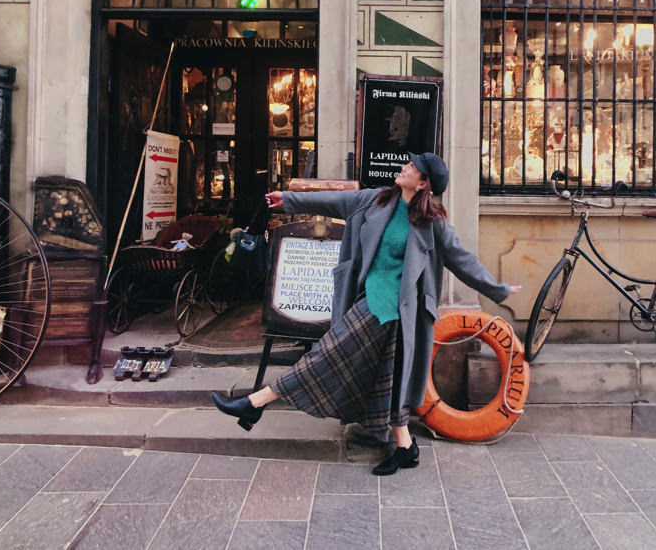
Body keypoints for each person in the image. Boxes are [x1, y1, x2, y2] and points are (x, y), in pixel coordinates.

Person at [210, 152, 521, 476]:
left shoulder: (432, 222)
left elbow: (462, 260)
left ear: (424, 183)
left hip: (397, 312)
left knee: (324, 357)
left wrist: (497, 289)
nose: (404, 167)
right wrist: (287, 199)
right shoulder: (375, 200)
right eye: (407, 163)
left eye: (412, 167)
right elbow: (333, 201)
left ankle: (255, 403)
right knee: (386, 378)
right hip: (368, 300)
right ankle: (406, 449)